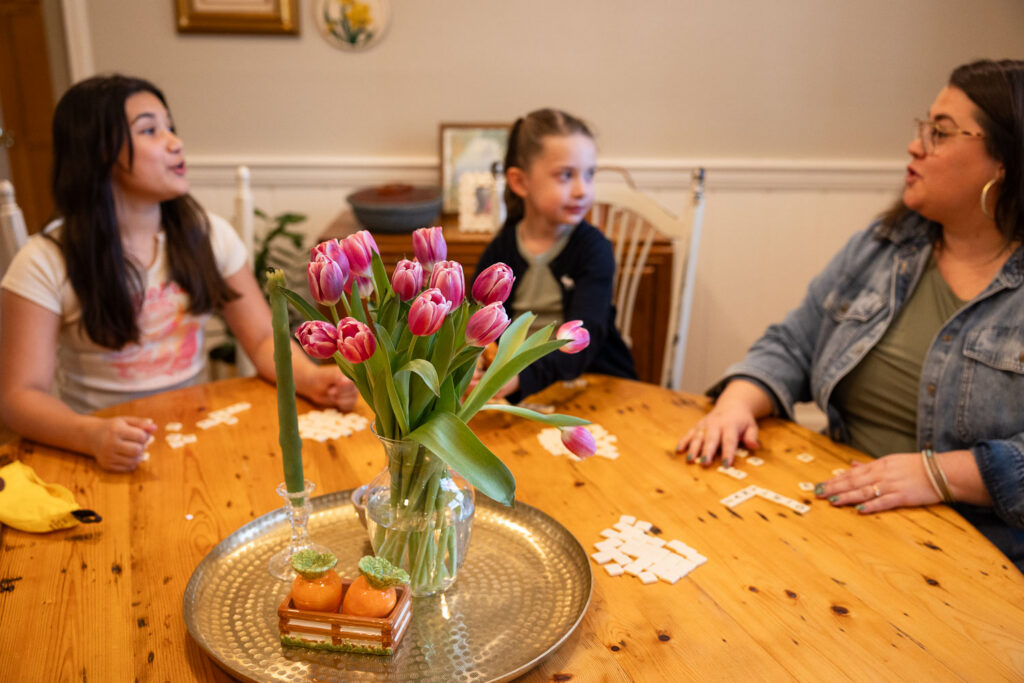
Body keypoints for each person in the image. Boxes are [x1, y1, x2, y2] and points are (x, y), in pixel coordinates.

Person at [678, 59, 1024, 571]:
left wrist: (938, 474)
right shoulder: (882, 245)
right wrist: (737, 403)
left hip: (975, 556)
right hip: (837, 515)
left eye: (940, 132)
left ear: (1005, 162)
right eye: (924, 127)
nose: (915, 146)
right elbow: (793, 344)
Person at [0, 75, 357, 472]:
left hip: (196, 433)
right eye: (149, 130)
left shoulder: (208, 235)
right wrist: (90, 435)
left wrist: (310, 378)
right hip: (99, 452)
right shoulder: (44, 261)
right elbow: (18, 396)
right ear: (97, 151)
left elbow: (260, 337)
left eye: (170, 127)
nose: (175, 142)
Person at [474, 108, 636, 402]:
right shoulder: (502, 250)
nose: (582, 190)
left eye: (589, 174)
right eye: (566, 175)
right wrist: (474, 363)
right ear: (520, 182)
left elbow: (583, 339)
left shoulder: (594, 250)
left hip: (590, 383)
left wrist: (520, 377)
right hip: (517, 390)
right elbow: (478, 321)